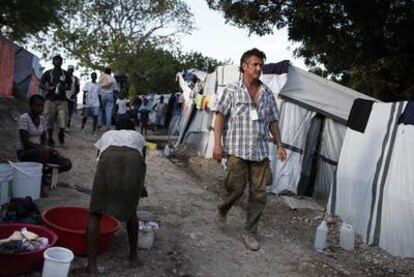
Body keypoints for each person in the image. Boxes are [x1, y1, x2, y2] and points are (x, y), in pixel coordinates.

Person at [213, 48, 287, 251]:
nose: (258, 68)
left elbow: (273, 121)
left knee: (259, 194)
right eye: (254, 64)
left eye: (260, 65)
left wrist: (279, 144)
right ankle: (223, 208)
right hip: (237, 149)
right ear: (244, 66)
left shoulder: (267, 94)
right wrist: (217, 144)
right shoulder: (231, 90)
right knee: (235, 189)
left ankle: (250, 231)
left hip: (261, 151)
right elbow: (220, 116)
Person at [77, 118, 146, 275]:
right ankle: (133, 257)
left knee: (95, 214)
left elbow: (99, 159)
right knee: (131, 212)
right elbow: (142, 164)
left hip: (109, 157)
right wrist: (140, 188)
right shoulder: (138, 137)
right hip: (134, 160)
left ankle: (92, 267)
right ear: (132, 128)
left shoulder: (107, 134)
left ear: (117, 128)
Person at [16, 94, 72, 197]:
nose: (40, 108)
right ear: (30, 106)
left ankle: (43, 176)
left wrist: (49, 149)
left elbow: (44, 140)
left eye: (41, 106)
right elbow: (26, 143)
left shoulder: (41, 119)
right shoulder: (24, 118)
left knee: (67, 163)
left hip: (39, 151)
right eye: (37, 106)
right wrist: (43, 149)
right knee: (43, 152)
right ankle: (42, 184)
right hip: (24, 152)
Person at [39, 55, 72, 146]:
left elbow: (69, 86)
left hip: (62, 100)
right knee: (49, 119)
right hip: (50, 99)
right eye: (56, 60)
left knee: (63, 119)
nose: (58, 62)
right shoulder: (48, 73)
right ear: (53, 62)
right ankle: (50, 138)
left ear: (62, 62)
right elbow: (40, 84)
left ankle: (61, 133)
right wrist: (47, 88)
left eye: (59, 60)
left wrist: (63, 87)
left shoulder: (65, 73)